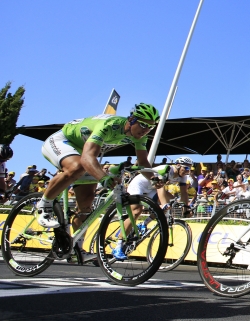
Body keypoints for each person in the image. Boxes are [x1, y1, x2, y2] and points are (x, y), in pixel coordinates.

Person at [35, 103, 160, 262]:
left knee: (86, 206)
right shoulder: (110, 125)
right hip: (62, 141)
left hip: (82, 151)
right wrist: (104, 178)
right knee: (77, 167)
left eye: (150, 127)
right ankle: (43, 205)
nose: (145, 130)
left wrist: (154, 179)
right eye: (143, 124)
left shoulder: (141, 137)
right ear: (131, 119)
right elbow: (88, 158)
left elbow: (143, 163)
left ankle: (76, 250)